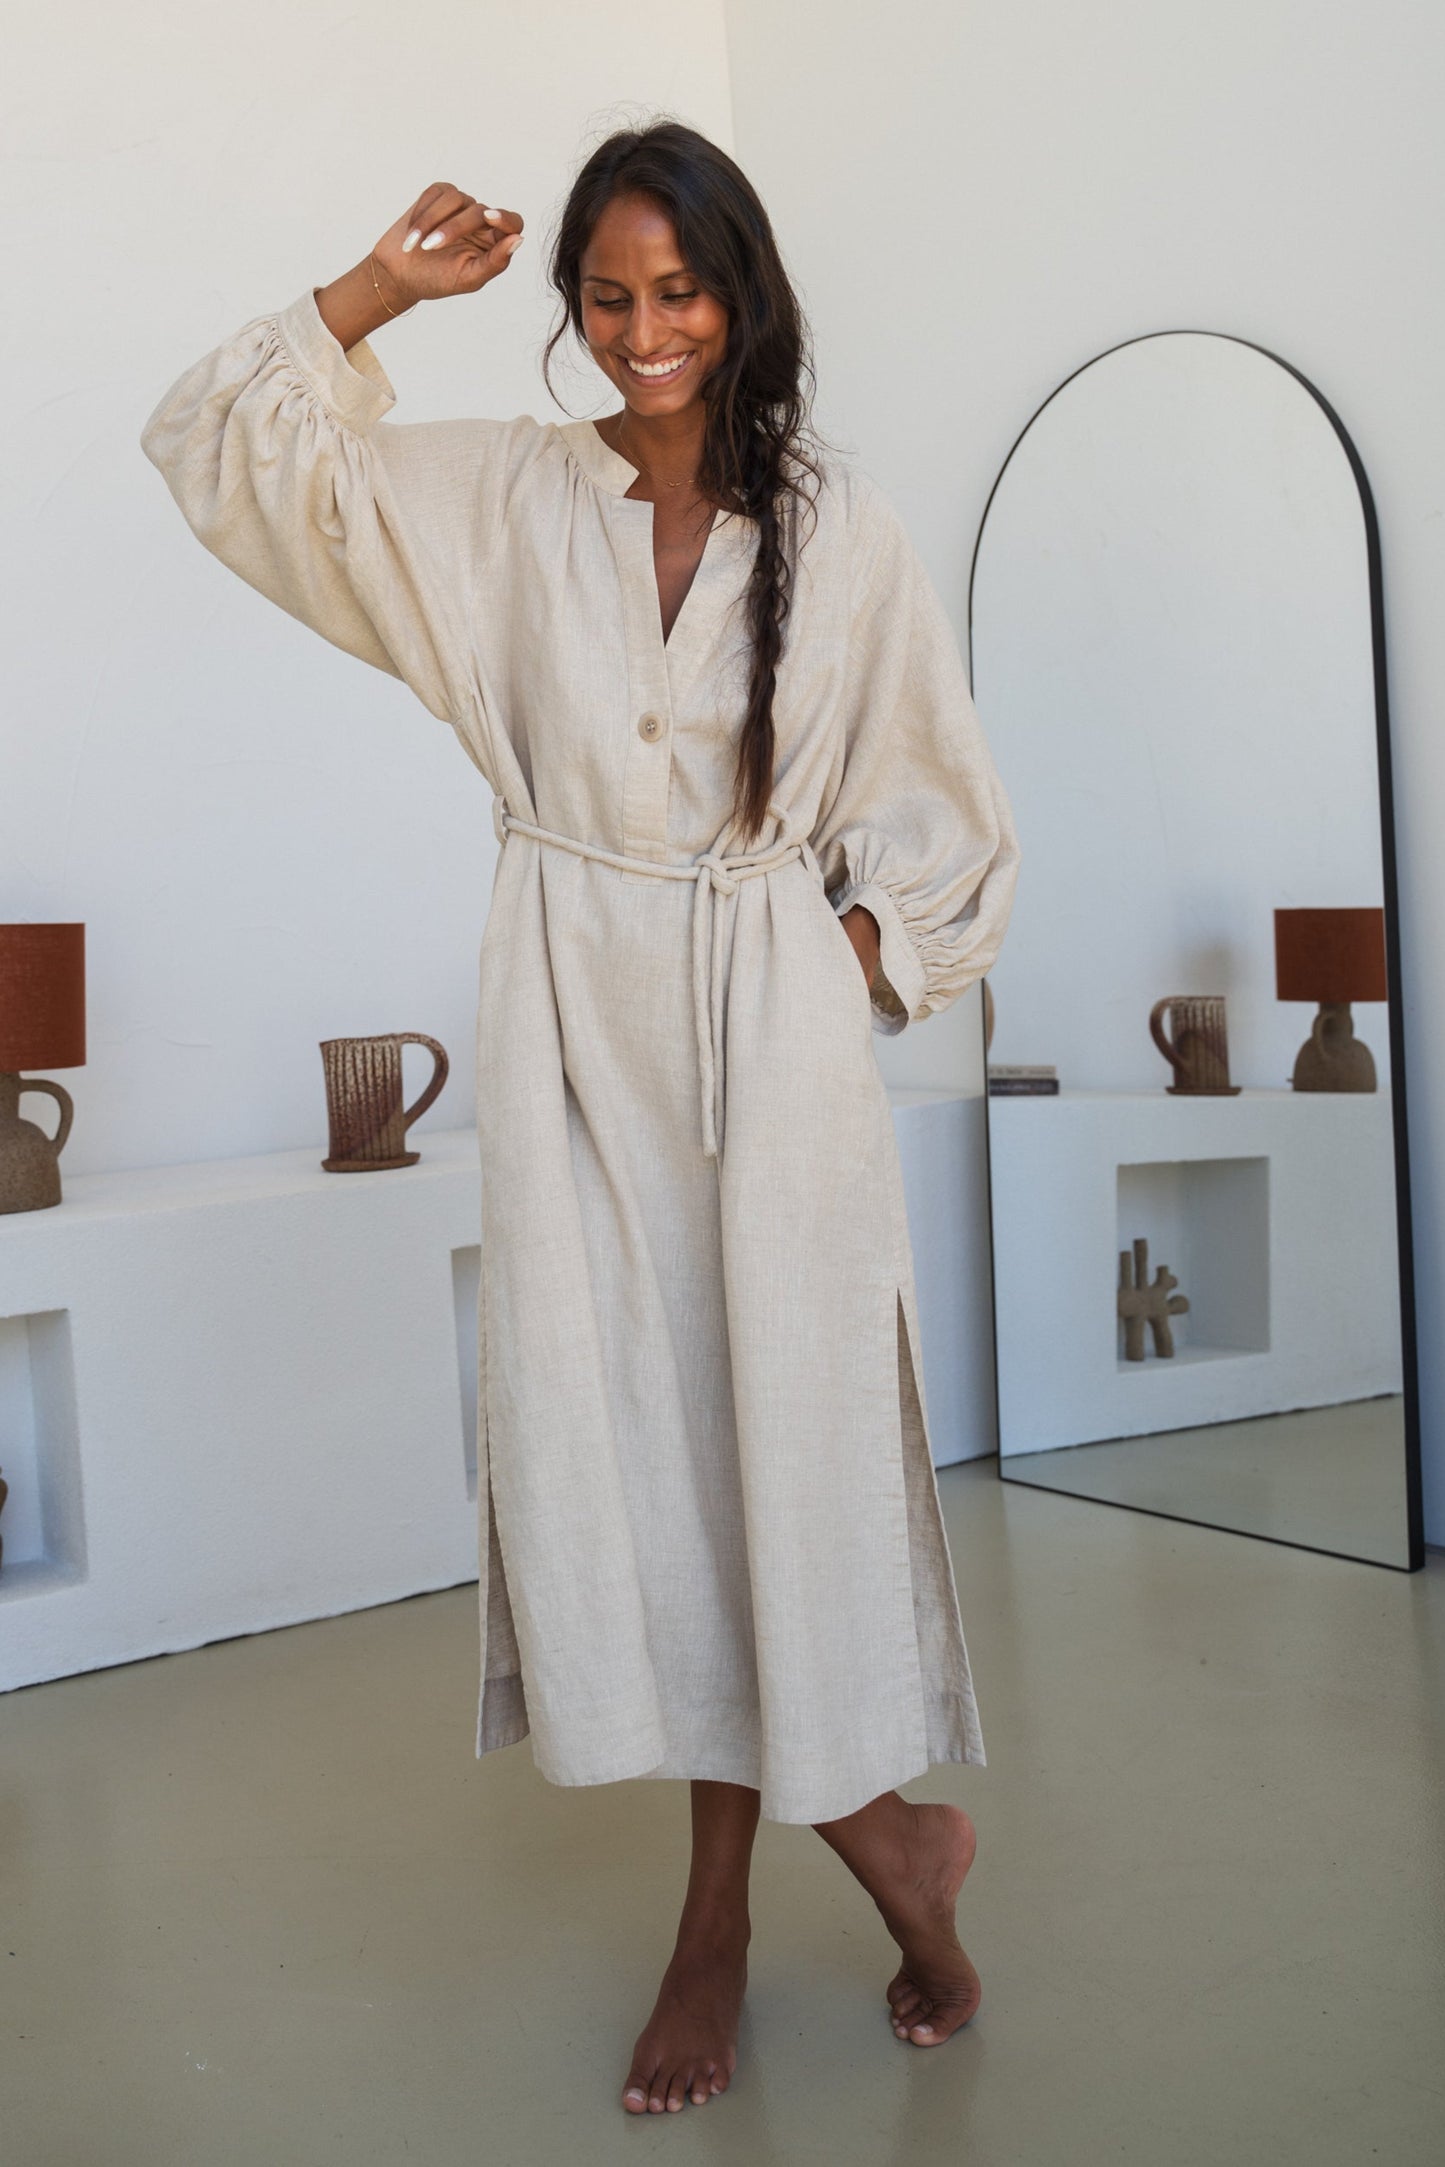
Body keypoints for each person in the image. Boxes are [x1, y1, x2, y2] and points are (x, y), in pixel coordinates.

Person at [140, 117, 1021, 2116]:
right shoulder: (502, 500)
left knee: (770, 1457)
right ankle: (882, 1848)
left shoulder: (843, 528)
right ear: (570, 307)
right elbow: (228, 454)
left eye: (680, 290)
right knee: (634, 1465)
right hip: (566, 1029)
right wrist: (373, 293)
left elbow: (944, 813)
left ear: (742, 294)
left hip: (767, 1050)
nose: (644, 330)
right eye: (608, 296)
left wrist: (836, 968)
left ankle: (754, 1915)